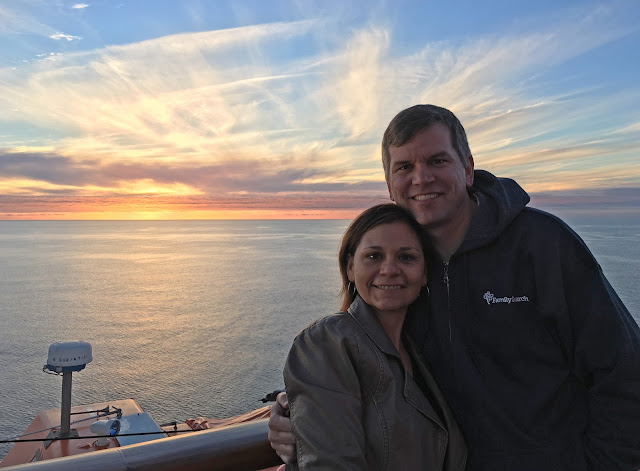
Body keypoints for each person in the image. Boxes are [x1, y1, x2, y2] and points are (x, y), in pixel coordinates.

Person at [269, 105, 640, 471]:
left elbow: (623, 370)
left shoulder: (542, 244)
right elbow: (372, 367)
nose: (421, 178)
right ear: (390, 185)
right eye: (404, 167)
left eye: (437, 161)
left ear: (467, 169)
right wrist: (297, 406)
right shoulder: (404, 277)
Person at [283, 203, 466, 470]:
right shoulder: (327, 341)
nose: (389, 269)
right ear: (350, 268)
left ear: (425, 272)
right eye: (373, 256)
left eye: (406, 257)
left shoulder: (421, 350)